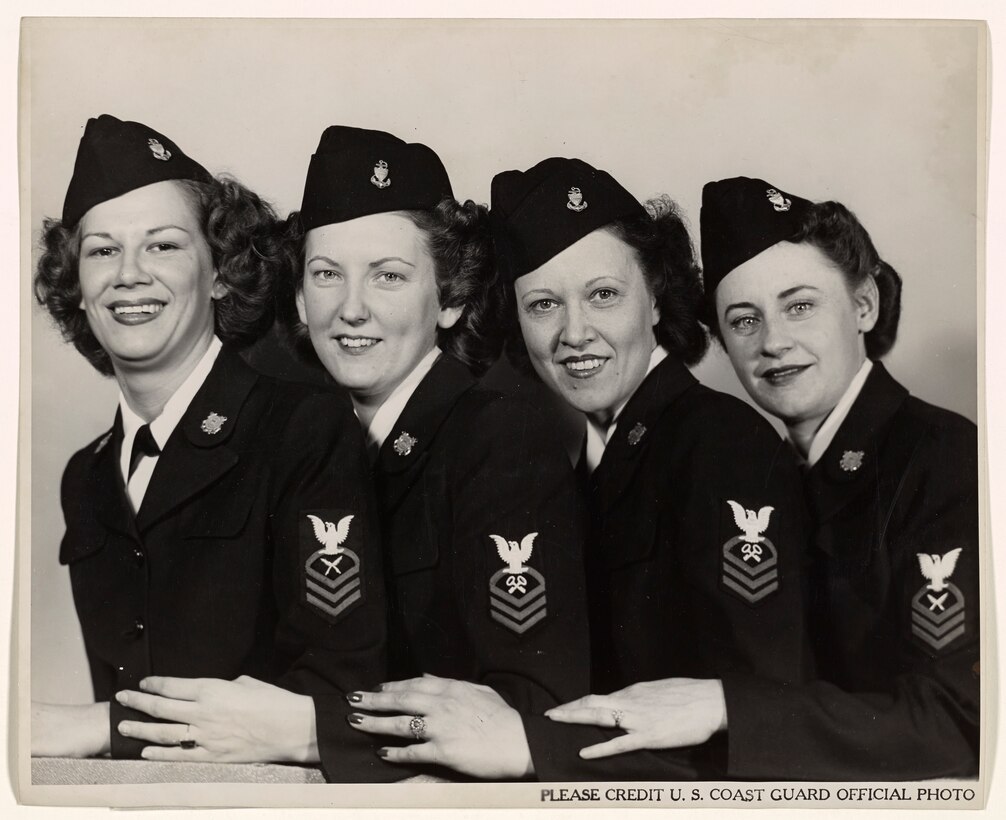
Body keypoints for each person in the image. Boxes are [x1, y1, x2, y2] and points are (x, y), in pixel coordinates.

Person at [383, 157, 812, 780]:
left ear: (658, 297)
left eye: (603, 295)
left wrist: (531, 746)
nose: (574, 334)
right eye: (543, 305)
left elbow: (761, 723)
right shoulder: (585, 454)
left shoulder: (719, 444)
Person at [549, 175, 980, 780]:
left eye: (799, 306)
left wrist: (728, 706)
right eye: (743, 321)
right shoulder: (776, 465)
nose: (774, 343)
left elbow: (964, 723)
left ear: (864, 305)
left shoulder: (942, 457)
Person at [31, 115, 387, 780]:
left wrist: (98, 728)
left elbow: (336, 700)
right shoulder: (86, 475)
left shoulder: (300, 429)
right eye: (102, 251)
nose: (129, 276)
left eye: (163, 246)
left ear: (222, 272)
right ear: (75, 289)